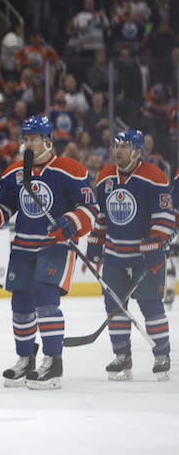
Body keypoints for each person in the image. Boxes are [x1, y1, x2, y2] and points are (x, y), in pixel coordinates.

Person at [0, 115, 98, 390]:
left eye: (33, 139)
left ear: (48, 140)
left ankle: (53, 362)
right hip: (23, 247)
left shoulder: (70, 169)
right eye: (24, 139)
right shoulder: (15, 171)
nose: (27, 144)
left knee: (45, 297)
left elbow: (90, 208)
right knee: (21, 305)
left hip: (56, 245)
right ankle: (25, 358)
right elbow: (2, 206)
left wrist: (72, 222)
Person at [87, 129, 172, 381]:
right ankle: (122, 355)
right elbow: (102, 217)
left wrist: (155, 241)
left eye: (124, 146)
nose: (118, 150)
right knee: (114, 307)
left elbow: (164, 218)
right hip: (114, 255)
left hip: (145, 257)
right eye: (116, 146)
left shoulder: (154, 176)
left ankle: (162, 354)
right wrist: (95, 240)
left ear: (137, 151)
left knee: (151, 307)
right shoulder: (104, 177)